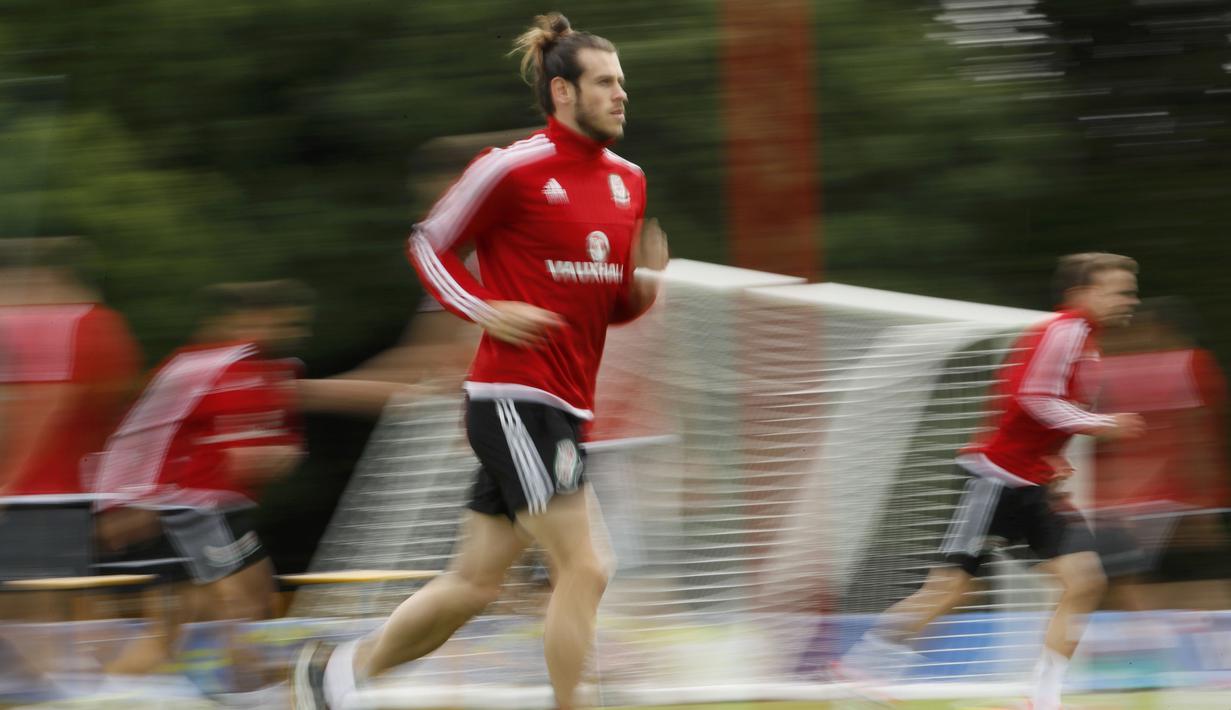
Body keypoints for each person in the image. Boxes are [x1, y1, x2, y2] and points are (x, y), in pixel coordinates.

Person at [294, 12, 667, 710]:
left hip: (565, 407)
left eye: (622, 82)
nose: (621, 94)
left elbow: (604, 304)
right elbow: (427, 243)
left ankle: (336, 675)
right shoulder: (511, 167)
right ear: (562, 92)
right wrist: (485, 308)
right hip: (515, 398)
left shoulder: (629, 182)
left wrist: (640, 291)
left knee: (473, 584)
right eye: (605, 82)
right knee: (586, 567)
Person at [840, 253, 1145, 710]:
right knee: (953, 589)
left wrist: (1053, 457)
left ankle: (1042, 699)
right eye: (1120, 291)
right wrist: (1102, 424)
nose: (1130, 300)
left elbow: (1037, 414)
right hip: (993, 479)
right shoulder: (1065, 331)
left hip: (1031, 486)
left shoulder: (1088, 345)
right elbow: (1032, 397)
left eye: (1131, 292)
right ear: (1082, 293)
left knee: (1084, 580)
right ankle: (863, 668)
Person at [91, 280, 313, 683]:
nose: (296, 332)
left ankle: (113, 689)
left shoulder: (205, 361)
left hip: (166, 502)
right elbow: (248, 461)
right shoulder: (235, 366)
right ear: (255, 318)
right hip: (194, 502)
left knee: (181, 621)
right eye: (288, 322)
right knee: (246, 599)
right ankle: (249, 682)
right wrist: (288, 452)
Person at [1091, 297, 1231, 611]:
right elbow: (1198, 437)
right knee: (1195, 594)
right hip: (1166, 506)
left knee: (1123, 595)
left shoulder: (1105, 370)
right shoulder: (1190, 363)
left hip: (1126, 508)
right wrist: (1204, 504)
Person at [0, 237, 141, 497]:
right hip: (83, 490)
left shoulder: (64, 324)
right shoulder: (105, 324)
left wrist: (11, 484)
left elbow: (43, 409)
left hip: (39, 495)